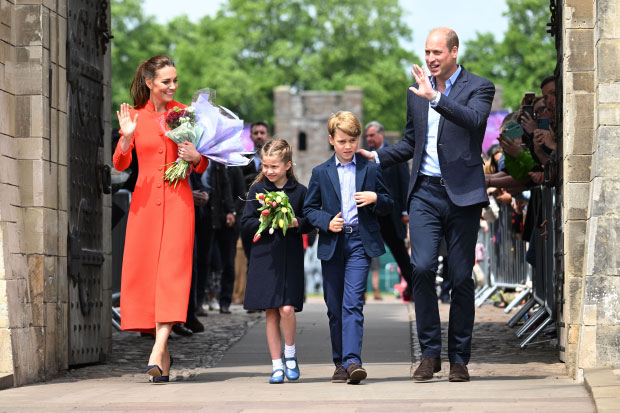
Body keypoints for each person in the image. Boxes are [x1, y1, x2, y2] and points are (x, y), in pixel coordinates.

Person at [358, 28, 495, 382]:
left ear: (453, 51)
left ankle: (460, 358)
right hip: (424, 194)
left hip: (463, 195)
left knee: (461, 277)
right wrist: (376, 156)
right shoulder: (416, 93)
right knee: (419, 269)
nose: (430, 59)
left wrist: (436, 98)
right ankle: (430, 354)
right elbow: (409, 143)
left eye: (437, 52)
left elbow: (475, 121)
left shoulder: (479, 87)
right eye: (426, 52)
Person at [113, 55, 209, 383]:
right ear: (150, 83)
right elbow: (121, 164)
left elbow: (203, 160)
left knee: (173, 273)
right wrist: (126, 137)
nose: (173, 86)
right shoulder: (135, 117)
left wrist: (197, 158)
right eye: (166, 81)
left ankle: (158, 347)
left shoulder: (185, 114)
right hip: (143, 208)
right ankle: (163, 357)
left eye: (175, 80)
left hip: (179, 203)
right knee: (147, 277)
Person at [304, 111, 393, 385]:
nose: (348, 146)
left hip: (359, 242)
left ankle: (353, 361)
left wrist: (376, 197)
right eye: (342, 140)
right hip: (333, 243)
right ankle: (339, 362)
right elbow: (308, 209)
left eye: (352, 140)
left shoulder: (370, 169)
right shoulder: (320, 172)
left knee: (353, 303)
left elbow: (389, 203)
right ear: (332, 140)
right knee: (334, 307)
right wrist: (326, 221)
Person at [241, 139, 312, 384]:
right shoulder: (256, 191)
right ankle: (276, 365)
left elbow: (309, 222)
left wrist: (295, 223)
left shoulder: (300, 191)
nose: (269, 171)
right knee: (271, 312)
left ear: (287, 165)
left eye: (274, 166)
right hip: (264, 257)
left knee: (287, 308)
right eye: (265, 166)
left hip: (290, 256)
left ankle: (290, 355)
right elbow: (246, 223)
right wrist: (265, 218)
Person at [364, 121, 413, 301]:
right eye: (366, 136)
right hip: (371, 214)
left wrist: (405, 211)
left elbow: (404, 183)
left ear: (381, 134)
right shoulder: (363, 157)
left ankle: (414, 287)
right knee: (363, 252)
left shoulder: (395, 155)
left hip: (392, 215)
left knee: (399, 252)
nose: (368, 139)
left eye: (371, 135)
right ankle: (360, 291)